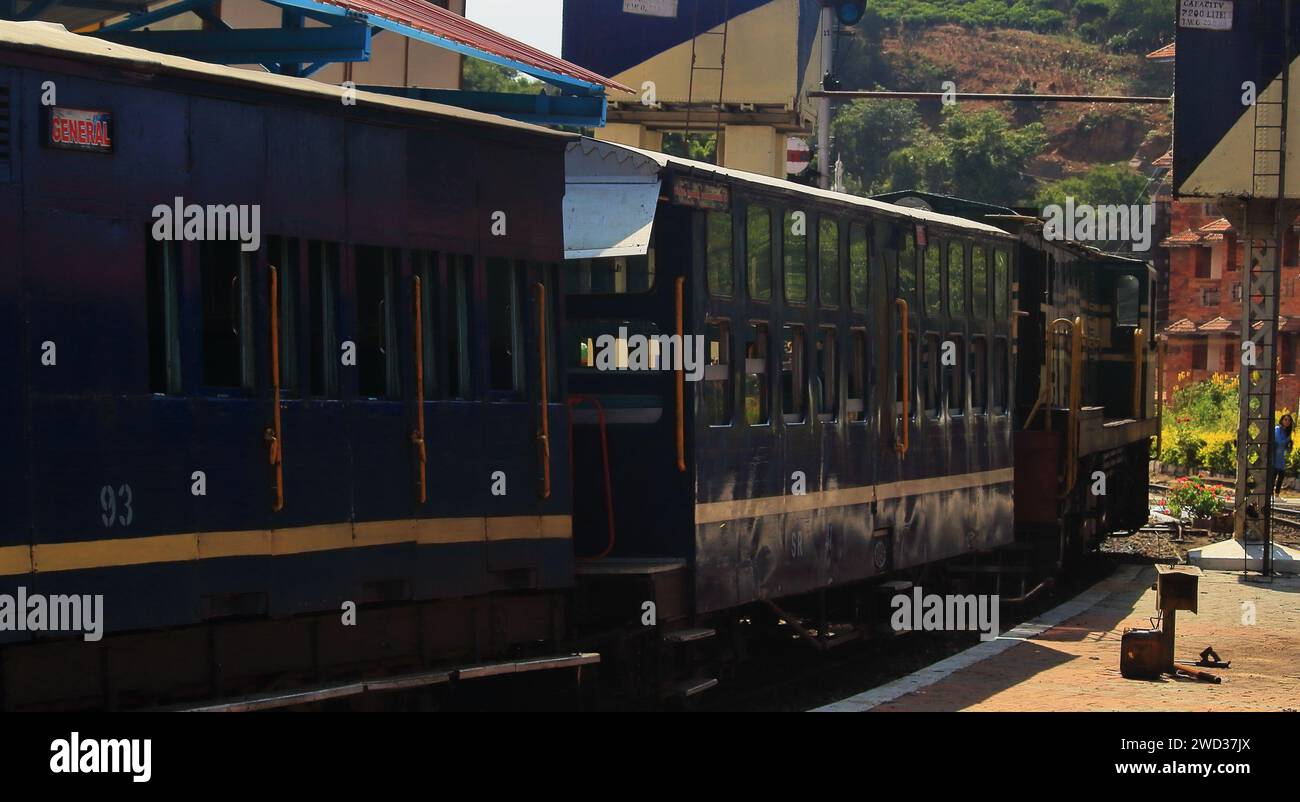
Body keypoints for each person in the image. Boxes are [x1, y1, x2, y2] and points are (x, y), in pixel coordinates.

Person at [1275, 414, 1295, 496]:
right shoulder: (1276, 429)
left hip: (1281, 457)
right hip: (1274, 455)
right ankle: (1270, 494)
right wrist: (1286, 441)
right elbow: (1278, 441)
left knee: (1281, 475)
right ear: (1282, 420)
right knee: (1273, 475)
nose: (1287, 421)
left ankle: (1277, 494)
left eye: (1289, 420)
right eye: (1285, 419)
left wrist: (1290, 446)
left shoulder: (1289, 433)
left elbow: (1288, 449)